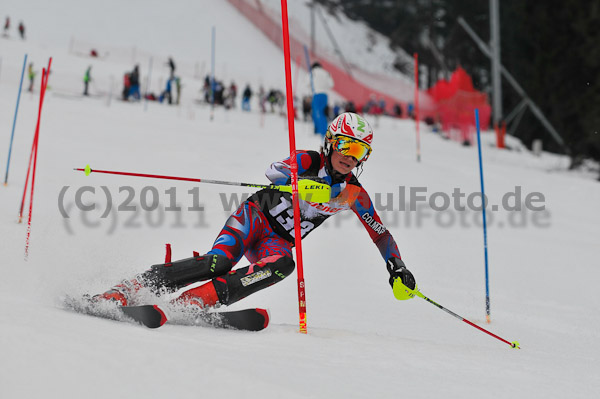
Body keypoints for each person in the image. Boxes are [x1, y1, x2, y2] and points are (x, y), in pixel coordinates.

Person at [91, 112, 416, 312]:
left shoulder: (353, 194)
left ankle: (191, 304)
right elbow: (274, 170)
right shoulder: (309, 161)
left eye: (358, 150)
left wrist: (396, 265)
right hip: (255, 217)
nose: (350, 156)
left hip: (277, 241)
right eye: (345, 145)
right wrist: (301, 184)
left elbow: (380, 233)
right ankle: (126, 288)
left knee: (282, 265)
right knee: (219, 262)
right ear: (331, 142)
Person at [309, 61, 334, 136]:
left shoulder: (313, 72)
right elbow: (331, 84)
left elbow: (307, 82)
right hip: (324, 95)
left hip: (316, 94)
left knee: (316, 112)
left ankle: (318, 131)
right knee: (323, 113)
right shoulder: (326, 73)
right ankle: (323, 131)